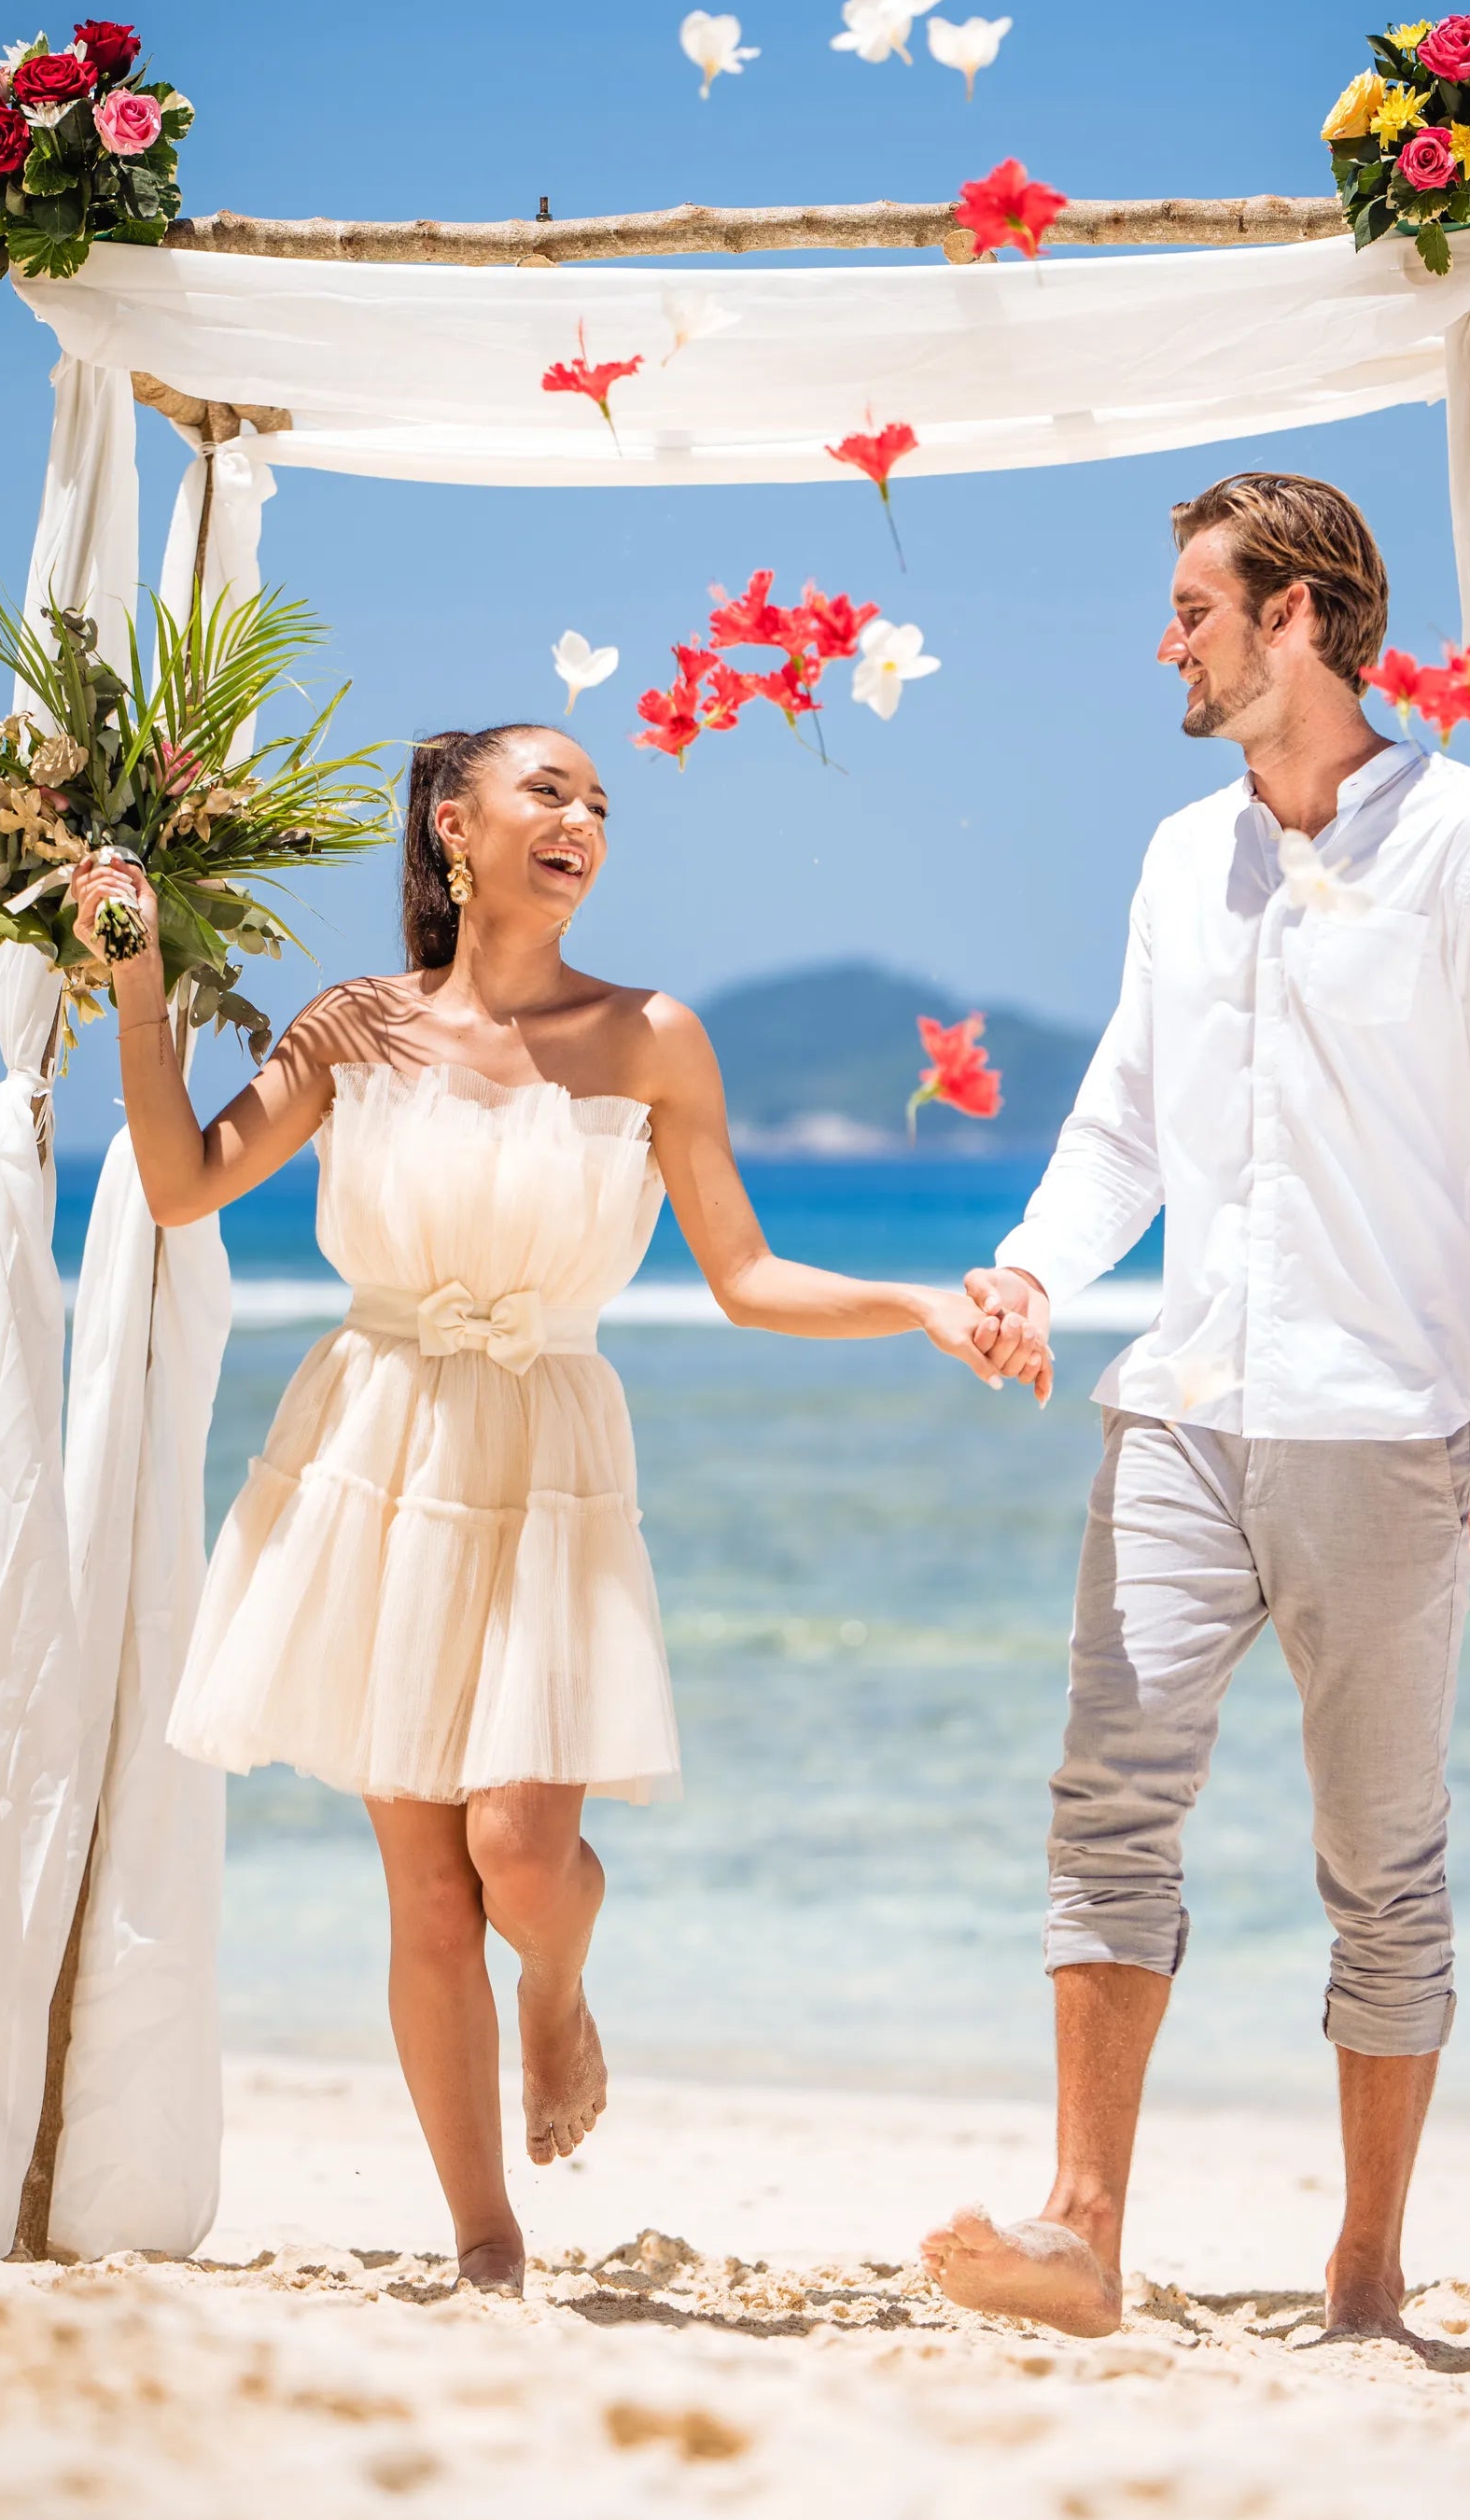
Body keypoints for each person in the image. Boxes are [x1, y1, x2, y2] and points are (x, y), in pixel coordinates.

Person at [72, 720, 1048, 2294]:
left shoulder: (651, 1035)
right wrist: (134, 991)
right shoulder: (353, 1026)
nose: (584, 815)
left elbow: (745, 1274)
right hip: (377, 1447)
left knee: (523, 1857)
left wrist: (920, 1303)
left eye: (601, 800)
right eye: (550, 790)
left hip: (548, 1459)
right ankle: (485, 2240)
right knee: (426, 1891)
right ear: (453, 827)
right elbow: (183, 1184)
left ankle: (559, 1987)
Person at [921, 472, 1470, 2347]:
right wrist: (1030, 1271)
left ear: (1295, 615)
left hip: (1388, 1432)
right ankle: (1083, 2229)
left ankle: (1368, 2265)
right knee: (1106, 1807)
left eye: (1192, 609)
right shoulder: (1181, 857)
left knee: (1381, 1864)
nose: (1165, 642)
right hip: (1179, 1415)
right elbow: (1123, 1127)